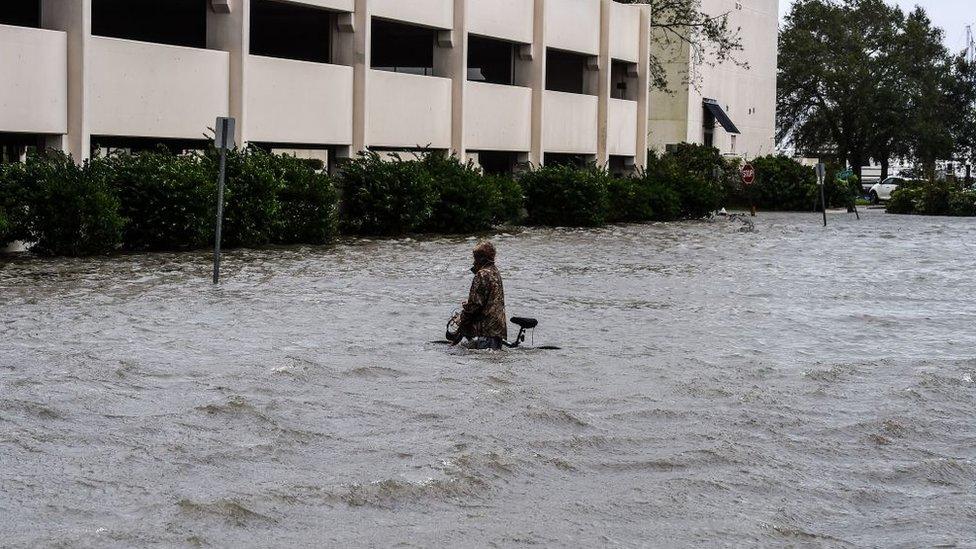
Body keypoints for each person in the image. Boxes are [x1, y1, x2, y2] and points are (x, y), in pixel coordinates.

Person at [451, 241, 508, 350]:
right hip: (497, 328)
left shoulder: (482, 274)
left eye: (475, 257)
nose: (473, 260)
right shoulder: (494, 271)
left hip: (485, 330)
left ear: (481, 258)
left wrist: (461, 318)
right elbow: (488, 299)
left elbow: (475, 305)